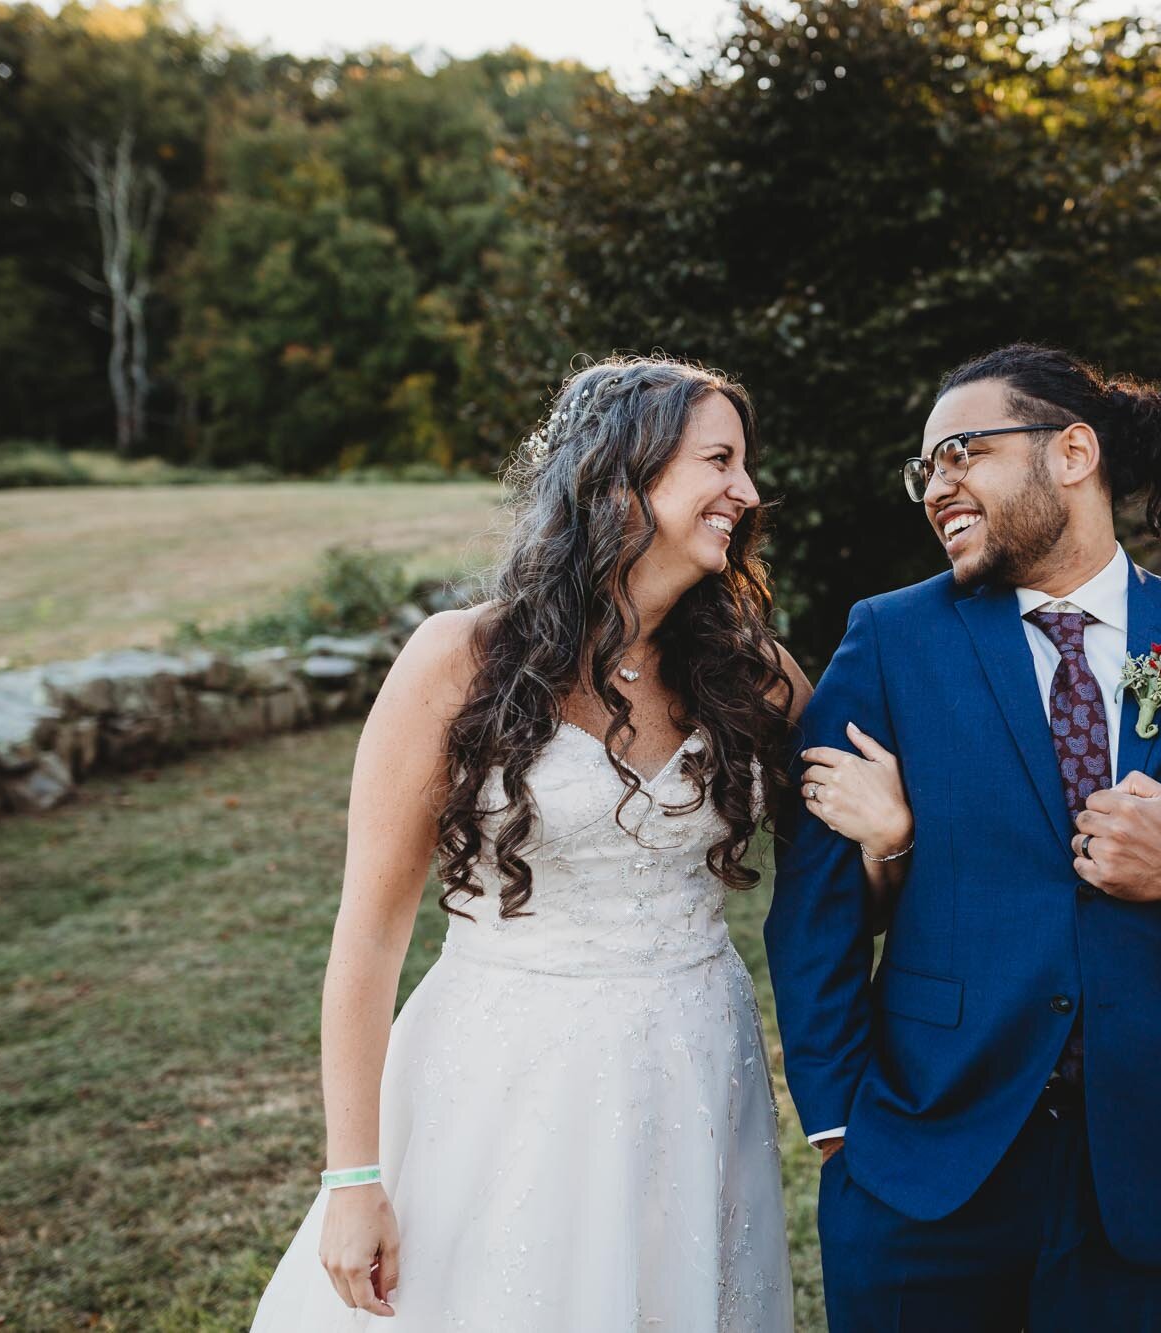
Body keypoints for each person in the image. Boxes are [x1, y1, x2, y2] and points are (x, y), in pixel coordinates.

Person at [770, 343, 1161, 1332]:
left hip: (1155, 1163)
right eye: (925, 468)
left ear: (1072, 452)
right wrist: (842, 1123)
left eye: (961, 451)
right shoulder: (891, 642)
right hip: (926, 1162)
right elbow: (811, 908)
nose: (938, 486)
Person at [250, 355, 810, 1330]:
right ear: (622, 474)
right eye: (718, 460)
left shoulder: (753, 673)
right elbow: (368, 941)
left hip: (694, 1065)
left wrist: (887, 835)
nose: (747, 492)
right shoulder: (458, 659)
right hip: (507, 1072)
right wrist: (353, 1176)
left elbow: (853, 878)